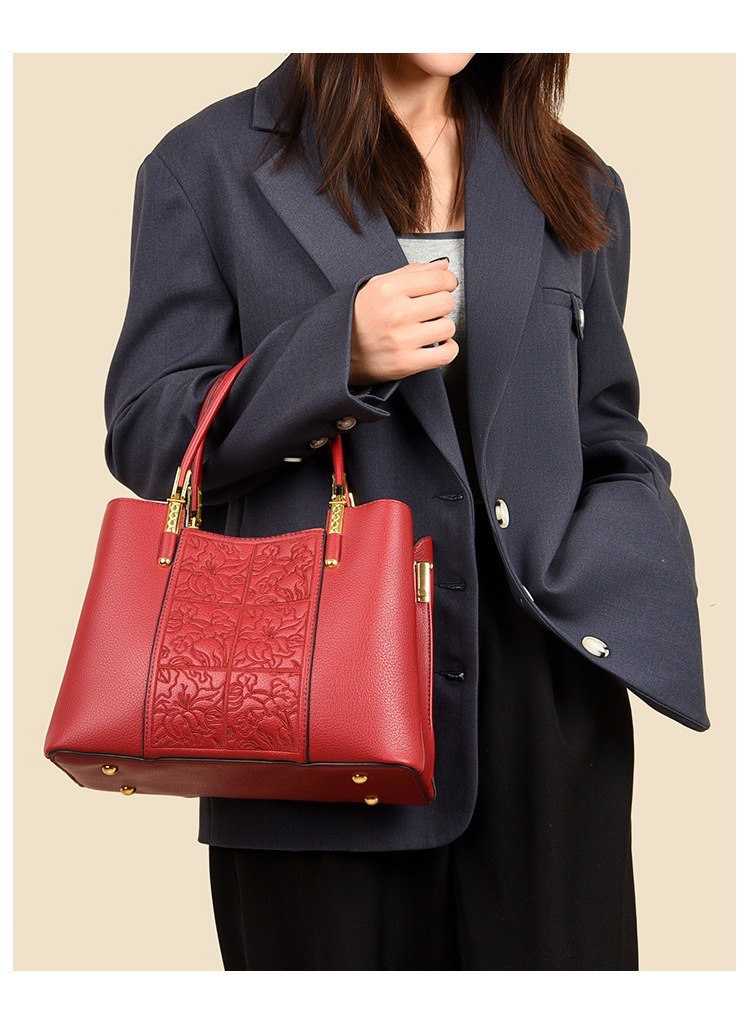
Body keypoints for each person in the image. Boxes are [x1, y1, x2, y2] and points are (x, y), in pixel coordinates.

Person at [103, 53, 710, 970]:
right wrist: (333, 355)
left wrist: (633, 560)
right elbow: (149, 434)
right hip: (311, 704)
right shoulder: (206, 166)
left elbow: (606, 428)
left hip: (544, 717)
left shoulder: (573, 178)